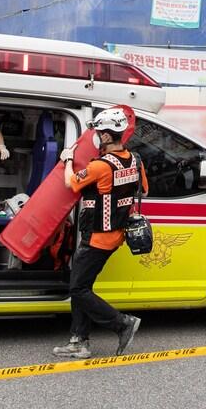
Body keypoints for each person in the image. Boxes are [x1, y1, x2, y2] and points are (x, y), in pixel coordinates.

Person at [52, 106, 146, 358]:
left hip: (97, 237)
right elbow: (143, 190)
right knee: (83, 286)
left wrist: (67, 159)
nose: (96, 137)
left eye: (98, 133)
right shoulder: (136, 161)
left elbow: (71, 183)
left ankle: (122, 323)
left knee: (78, 289)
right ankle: (78, 341)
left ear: (106, 137)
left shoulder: (100, 166)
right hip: (117, 235)